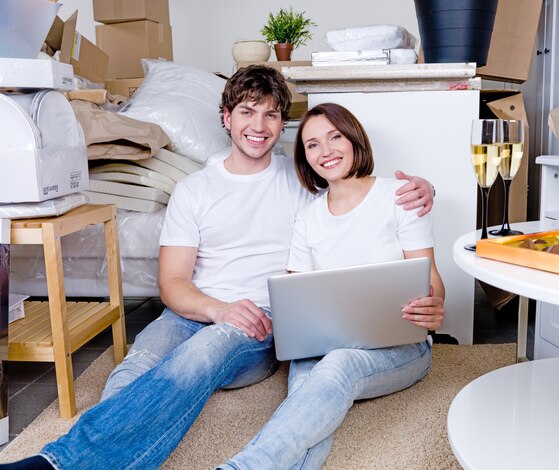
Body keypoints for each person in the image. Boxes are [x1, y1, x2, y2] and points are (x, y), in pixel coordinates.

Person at [0, 66, 435, 470]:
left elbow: (355, 193)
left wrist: (420, 189)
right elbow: (171, 283)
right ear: (226, 117)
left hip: (259, 323)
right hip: (195, 312)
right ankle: (97, 459)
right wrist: (217, 309)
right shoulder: (193, 190)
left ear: (281, 124)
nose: (259, 126)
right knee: (132, 372)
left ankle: (55, 465)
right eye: (247, 112)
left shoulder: (303, 178)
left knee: (202, 354)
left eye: (271, 115)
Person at [219, 102, 445, 470]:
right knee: (309, 409)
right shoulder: (307, 218)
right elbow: (298, 302)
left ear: (354, 139)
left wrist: (433, 304)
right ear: (305, 157)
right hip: (319, 347)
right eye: (312, 145)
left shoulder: (400, 197)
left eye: (334, 137)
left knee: (337, 367)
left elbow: (432, 279)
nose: (325, 151)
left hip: (402, 347)